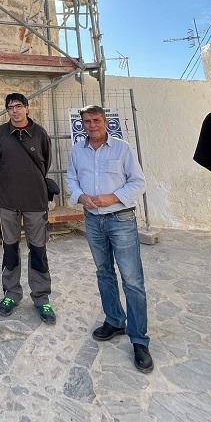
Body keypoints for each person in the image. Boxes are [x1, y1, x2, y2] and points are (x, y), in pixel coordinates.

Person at [66, 104, 153, 373]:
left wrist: (111, 198)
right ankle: (115, 320)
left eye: (96, 120)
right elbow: (71, 179)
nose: (91, 125)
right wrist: (81, 197)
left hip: (121, 219)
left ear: (105, 122)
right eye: (87, 122)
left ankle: (139, 340)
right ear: (82, 125)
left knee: (132, 280)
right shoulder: (77, 150)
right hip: (93, 220)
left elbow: (138, 182)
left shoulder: (122, 149)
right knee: (104, 273)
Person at [0, 93, 56, 324]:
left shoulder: (40, 134)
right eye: (10, 107)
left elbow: (45, 163)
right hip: (8, 202)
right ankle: (11, 293)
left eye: (19, 106)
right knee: (9, 249)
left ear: (27, 108)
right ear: (7, 111)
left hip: (35, 202)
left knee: (38, 250)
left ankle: (41, 297)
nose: (15, 110)